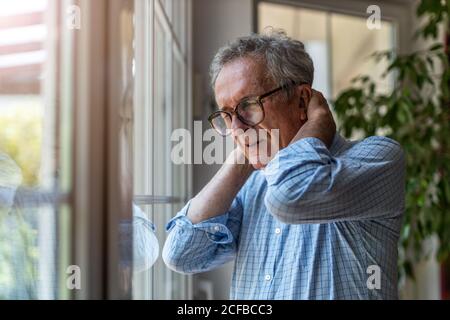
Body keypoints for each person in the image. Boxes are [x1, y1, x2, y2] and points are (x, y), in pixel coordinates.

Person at [162, 30, 405, 300]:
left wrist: (316, 123)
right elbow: (181, 254)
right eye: (227, 115)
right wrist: (245, 153)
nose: (236, 128)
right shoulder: (253, 185)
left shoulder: (377, 158)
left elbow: (289, 197)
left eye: (248, 105)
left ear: (302, 100)